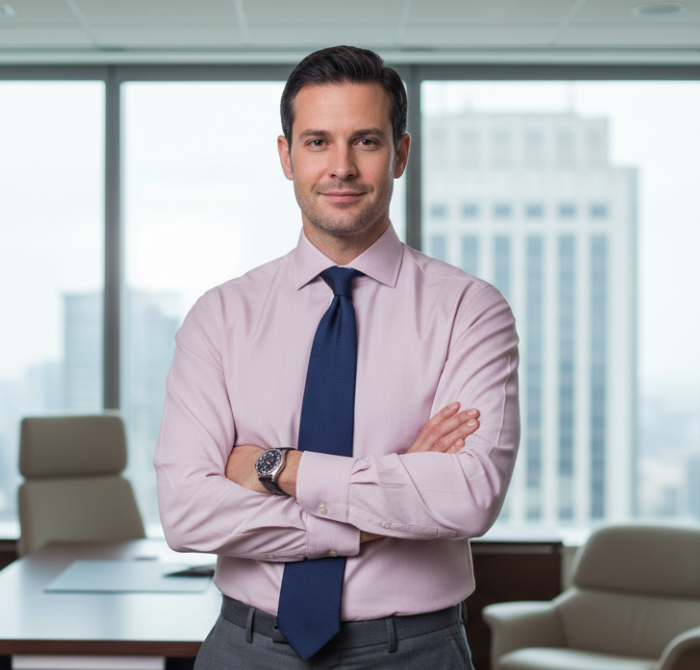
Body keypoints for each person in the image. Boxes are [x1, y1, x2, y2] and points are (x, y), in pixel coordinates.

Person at [154, 45, 520, 669]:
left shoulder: (470, 310)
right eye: (318, 141)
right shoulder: (220, 317)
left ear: (401, 154)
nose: (341, 167)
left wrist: (277, 467)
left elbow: (467, 496)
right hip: (246, 649)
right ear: (286, 155)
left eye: (367, 142)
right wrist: (386, 499)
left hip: (414, 651)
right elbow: (187, 513)